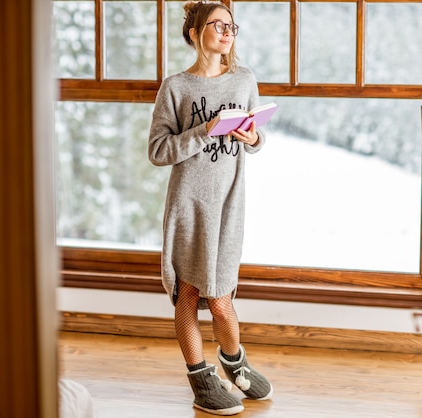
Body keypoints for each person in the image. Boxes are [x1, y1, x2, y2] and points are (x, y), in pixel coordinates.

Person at [147, 1, 273, 415]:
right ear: (195, 32)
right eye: (218, 25)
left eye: (231, 26)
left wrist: (252, 138)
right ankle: (201, 379)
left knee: (222, 293)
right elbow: (159, 150)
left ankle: (234, 364)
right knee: (191, 292)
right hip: (188, 203)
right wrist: (205, 130)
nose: (226, 32)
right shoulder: (176, 87)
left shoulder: (244, 79)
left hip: (228, 203)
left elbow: (256, 140)